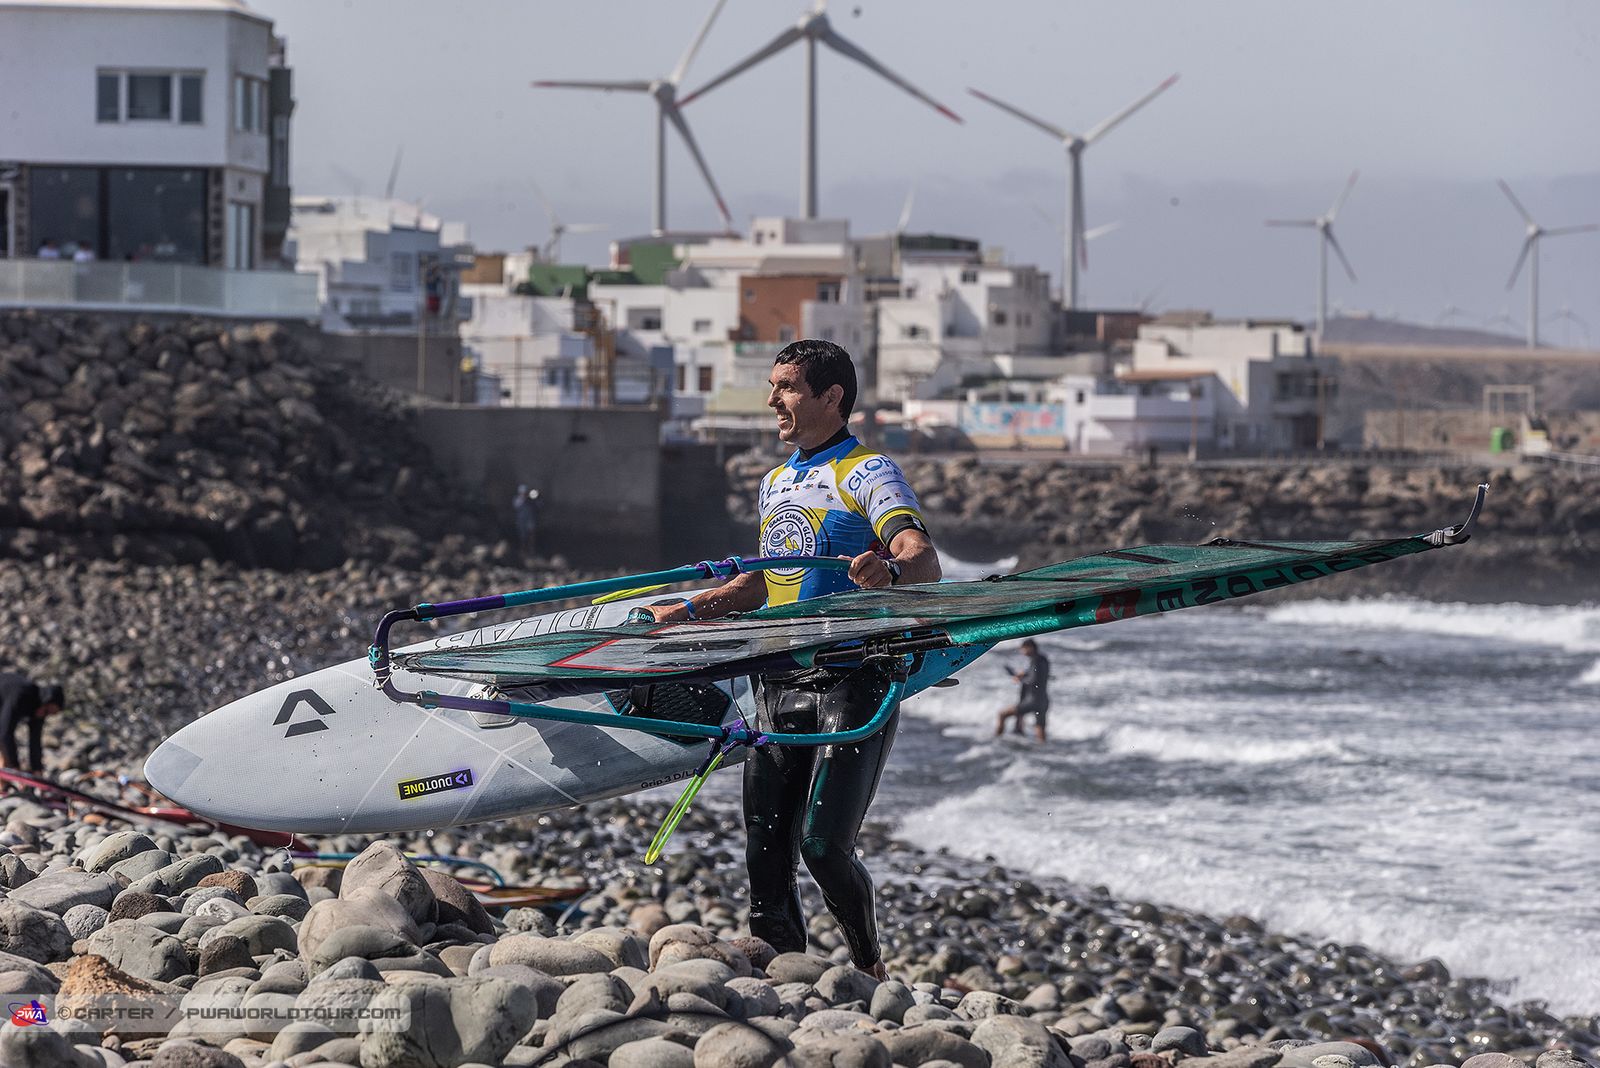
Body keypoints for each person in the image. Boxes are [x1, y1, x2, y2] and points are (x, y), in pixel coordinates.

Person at [640, 339, 940, 978]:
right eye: (773, 386)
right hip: (776, 680)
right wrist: (690, 609)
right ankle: (783, 981)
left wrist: (888, 570)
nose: (773, 400)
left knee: (824, 848)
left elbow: (922, 558)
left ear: (831, 396)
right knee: (766, 854)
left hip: (852, 678)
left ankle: (870, 970)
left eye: (787, 387)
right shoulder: (776, 482)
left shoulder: (867, 472)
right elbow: (768, 579)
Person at [0, 674, 65, 776]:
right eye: (46, 711)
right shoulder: (22, 695)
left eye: (49, 714)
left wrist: (37, 769)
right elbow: (5, 733)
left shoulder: (39, 709)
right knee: (5, 752)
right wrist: (15, 767)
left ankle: (5, 782)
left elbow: (35, 741)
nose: (45, 715)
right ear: (45, 701)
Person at [995, 639, 1050, 742]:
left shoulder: (1035, 660)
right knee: (1040, 728)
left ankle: (996, 741)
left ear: (1030, 648)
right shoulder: (1043, 659)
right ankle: (1044, 750)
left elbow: (1033, 680)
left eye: (1023, 649)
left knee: (1002, 714)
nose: (1022, 651)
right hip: (1043, 701)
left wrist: (1020, 679)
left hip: (1032, 701)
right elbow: (1039, 676)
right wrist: (1025, 673)